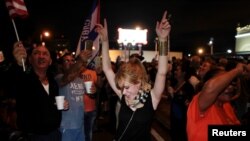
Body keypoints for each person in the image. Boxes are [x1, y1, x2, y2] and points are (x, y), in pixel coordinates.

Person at [95, 10, 170, 141]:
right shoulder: (122, 93)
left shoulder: (152, 98)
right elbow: (107, 69)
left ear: (139, 81)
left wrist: (163, 40)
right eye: (122, 88)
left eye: (127, 87)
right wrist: (105, 41)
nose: (124, 92)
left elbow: (162, 72)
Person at [5, 41, 69, 141]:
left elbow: (50, 103)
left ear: (50, 61)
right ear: (30, 59)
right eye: (36, 53)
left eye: (45, 54)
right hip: (33, 137)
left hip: (55, 134)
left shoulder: (53, 82)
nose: (41, 56)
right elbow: (11, 83)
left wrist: (62, 104)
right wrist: (17, 63)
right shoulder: (24, 79)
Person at [186, 63, 249, 141]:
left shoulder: (226, 105)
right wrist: (238, 70)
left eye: (231, 83)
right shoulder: (200, 103)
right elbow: (211, 87)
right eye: (223, 84)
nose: (230, 87)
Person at [55, 51, 92, 141]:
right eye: (67, 61)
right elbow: (67, 77)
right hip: (67, 126)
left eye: (72, 60)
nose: (70, 62)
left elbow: (89, 96)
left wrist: (93, 92)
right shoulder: (59, 78)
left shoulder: (80, 80)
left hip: (80, 124)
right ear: (61, 65)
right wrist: (79, 62)